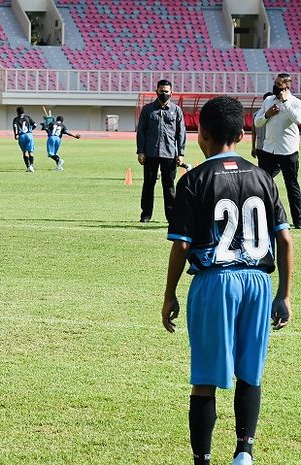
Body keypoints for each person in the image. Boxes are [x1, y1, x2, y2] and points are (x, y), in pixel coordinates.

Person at [161, 96, 293, 465]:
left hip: (216, 282)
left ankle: (202, 458)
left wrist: (169, 294)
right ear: (241, 132)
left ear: (201, 134)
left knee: (205, 375)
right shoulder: (263, 177)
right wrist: (284, 295)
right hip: (258, 282)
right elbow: (285, 238)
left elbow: (182, 246)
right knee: (250, 371)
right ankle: (244, 452)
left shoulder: (194, 179)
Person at [254, 73, 301, 228]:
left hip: (288, 151)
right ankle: (265, 217)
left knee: (292, 186)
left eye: (279, 84)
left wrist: (286, 102)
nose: (275, 87)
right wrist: (267, 114)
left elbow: (298, 120)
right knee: (263, 184)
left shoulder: (295, 102)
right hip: (269, 150)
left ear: (286, 87)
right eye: (275, 83)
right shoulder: (268, 101)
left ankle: (298, 221)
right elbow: (257, 122)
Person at [136, 79, 186, 223]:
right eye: (161, 91)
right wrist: (140, 151)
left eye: (166, 91)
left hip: (170, 154)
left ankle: (172, 216)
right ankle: (146, 214)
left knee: (169, 186)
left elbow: (181, 133)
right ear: (156, 91)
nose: (163, 93)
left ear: (171, 93)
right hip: (150, 153)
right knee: (148, 185)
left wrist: (181, 153)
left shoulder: (176, 110)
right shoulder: (147, 109)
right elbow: (141, 132)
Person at [12, 107, 37, 172]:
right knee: (30, 151)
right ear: (23, 111)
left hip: (21, 136)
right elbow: (35, 125)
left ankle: (28, 167)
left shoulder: (16, 119)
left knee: (25, 152)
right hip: (29, 135)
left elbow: (15, 127)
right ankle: (31, 166)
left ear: (17, 112)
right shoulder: (28, 117)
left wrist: (16, 135)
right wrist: (30, 130)